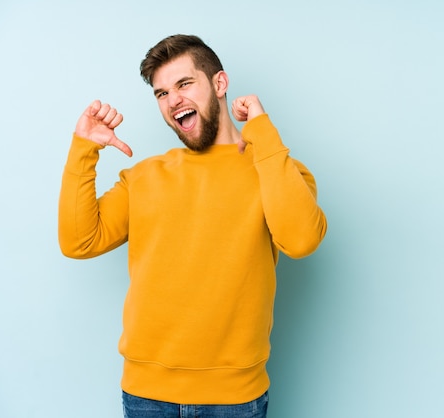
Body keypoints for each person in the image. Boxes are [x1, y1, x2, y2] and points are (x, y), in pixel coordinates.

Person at [58, 34, 327, 418]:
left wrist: (262, 132)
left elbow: (301, 240)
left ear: (219, 83)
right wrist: (84, 148)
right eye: (161, 93)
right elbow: (78, 242)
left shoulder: (276, 170)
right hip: (146, 396)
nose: (173, 100)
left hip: (236, 399)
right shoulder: (144, 177)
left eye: (184, 84)